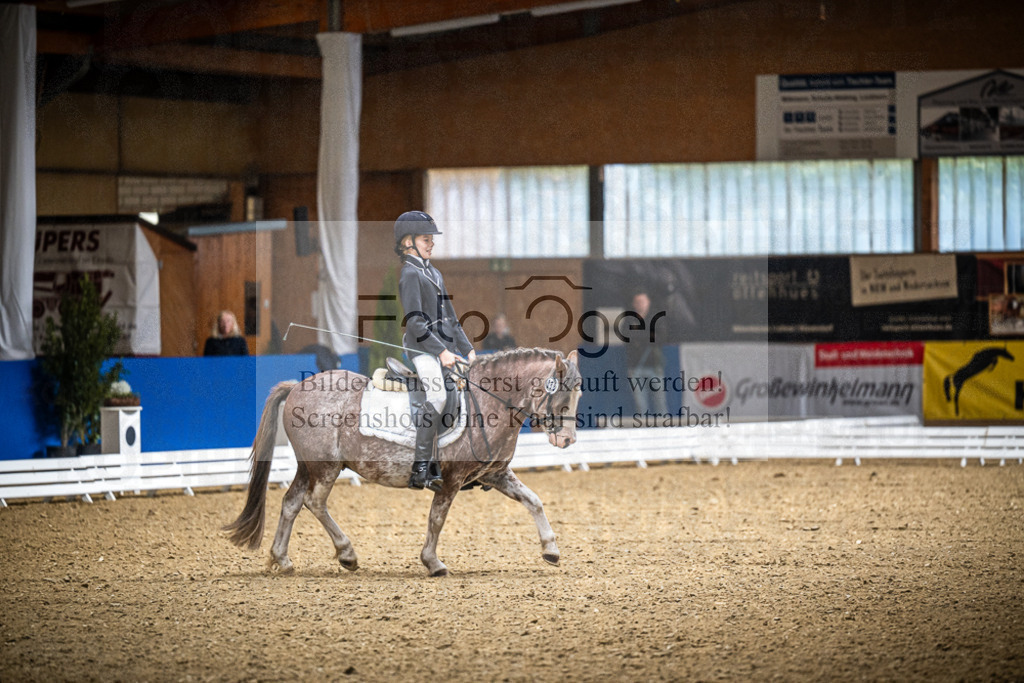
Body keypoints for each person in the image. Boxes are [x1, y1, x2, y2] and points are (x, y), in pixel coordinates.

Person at [394, 211, 476, 491]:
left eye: (432, 239)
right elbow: (415, 322)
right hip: (421, 350)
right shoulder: (409, 274)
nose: (431, 244)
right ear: (408, 242)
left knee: (465, 393)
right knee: (438, 395)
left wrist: (468, 349)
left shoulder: (434, 272)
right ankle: (420, 467)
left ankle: (458, 463)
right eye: (425, 239)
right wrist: (441, 352)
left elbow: (451, 318)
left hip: (444, 348)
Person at [625, 292, 667, 418]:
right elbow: (628, 337)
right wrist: (648, 335)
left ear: (648, 302)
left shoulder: (656, 318)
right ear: (633, 304)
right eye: (637, 302)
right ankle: (643, 433)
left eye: (642, 301)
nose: (640, 304)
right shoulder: (629, 319)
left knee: (660, 403)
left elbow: (662, 337)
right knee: (641, 405)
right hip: (635, 367)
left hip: (654, 366)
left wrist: (639, 337)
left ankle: (664, 433)